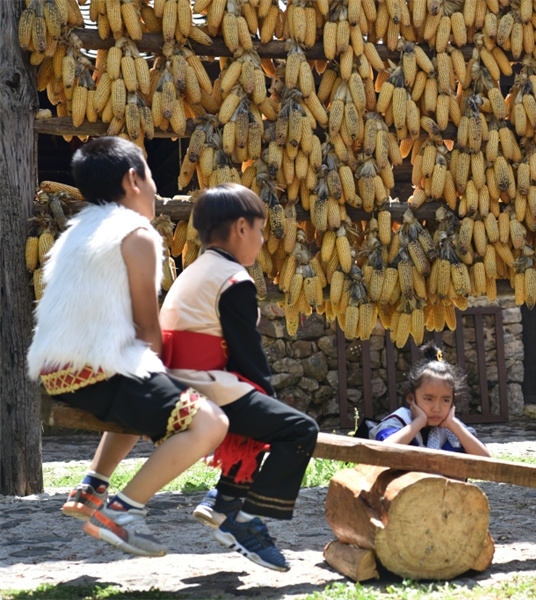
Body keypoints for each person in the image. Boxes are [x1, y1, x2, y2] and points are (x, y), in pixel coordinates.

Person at [28, 136, 229, 557]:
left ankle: (93, 486)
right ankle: (122, 511)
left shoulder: (78, 230)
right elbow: (148, 331)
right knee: (211, 423)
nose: (157, 188)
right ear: (134, 180)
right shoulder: (138, 235)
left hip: (59, 368)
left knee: (150, 385)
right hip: (99, 369)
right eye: (152, 177)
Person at [155, 183, 319, 572]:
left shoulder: (195, 270)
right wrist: (270, 400)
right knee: (298, 430)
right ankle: (244, 521)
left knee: (260, 416)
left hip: (178, 379)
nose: (262, 242)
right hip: (202, 383)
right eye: (260, 231)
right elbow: (248, 356)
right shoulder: (234, 279)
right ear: (241, 228)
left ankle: (224, 500)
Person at [368, 343, 490, 457]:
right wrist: (418, 422)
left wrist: (454, 426)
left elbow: (486, 459)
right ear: (411, 398)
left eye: (446, 400)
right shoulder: (399, 420)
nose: (436, 408)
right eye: (428, 399)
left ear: (453, 401)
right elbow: (384, 450)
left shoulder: (452, 426)